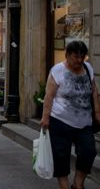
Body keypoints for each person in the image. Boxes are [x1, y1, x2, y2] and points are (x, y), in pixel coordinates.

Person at [40, 41, 99, 189]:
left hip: (85, 122)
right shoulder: (58, 71)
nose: (79, 60)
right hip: (60, 121)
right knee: (61, 157)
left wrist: (97, 113)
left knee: (89, 151)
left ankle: (78, 184)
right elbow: (49, 95)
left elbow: (94, 91)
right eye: (75, 56)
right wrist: (45, 117)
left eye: (82, 56)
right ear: (67, 55)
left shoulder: (88, 68)